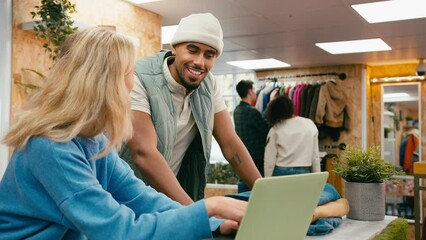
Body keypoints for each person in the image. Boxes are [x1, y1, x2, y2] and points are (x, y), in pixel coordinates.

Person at [0, 27, 247, 239]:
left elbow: (140, 198)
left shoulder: (92, 139)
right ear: (104, 83)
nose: (132, 82)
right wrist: (207, 209)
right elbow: (119, 231)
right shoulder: (51, 147)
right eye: (129, 72)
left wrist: (213, 221)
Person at [120, 13, 261, 204]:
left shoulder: (208, 85)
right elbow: (144, 152)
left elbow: (229, 143)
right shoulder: (139, 78)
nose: (200, 62)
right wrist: (194, 213)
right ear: (175, 46)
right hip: (125, 199)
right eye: (192, 50)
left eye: (209, 55)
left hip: (168, 200)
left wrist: (264, 191)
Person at [264, 95, 321, 177]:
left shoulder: (275, 129)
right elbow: (315, 156)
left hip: (281, 171)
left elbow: (269, 160)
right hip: (304, 171)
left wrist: (267, 181)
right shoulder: (310, 124)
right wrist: (317, 177)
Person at [234, 80, 269, 192]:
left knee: (243, 190)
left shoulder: (237, 110)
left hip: (242, 157)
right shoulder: (252, 112)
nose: (255, 92)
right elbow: (266, 130)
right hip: (256, 159)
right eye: (254, 90)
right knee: (257, 192)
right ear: (249, 91)